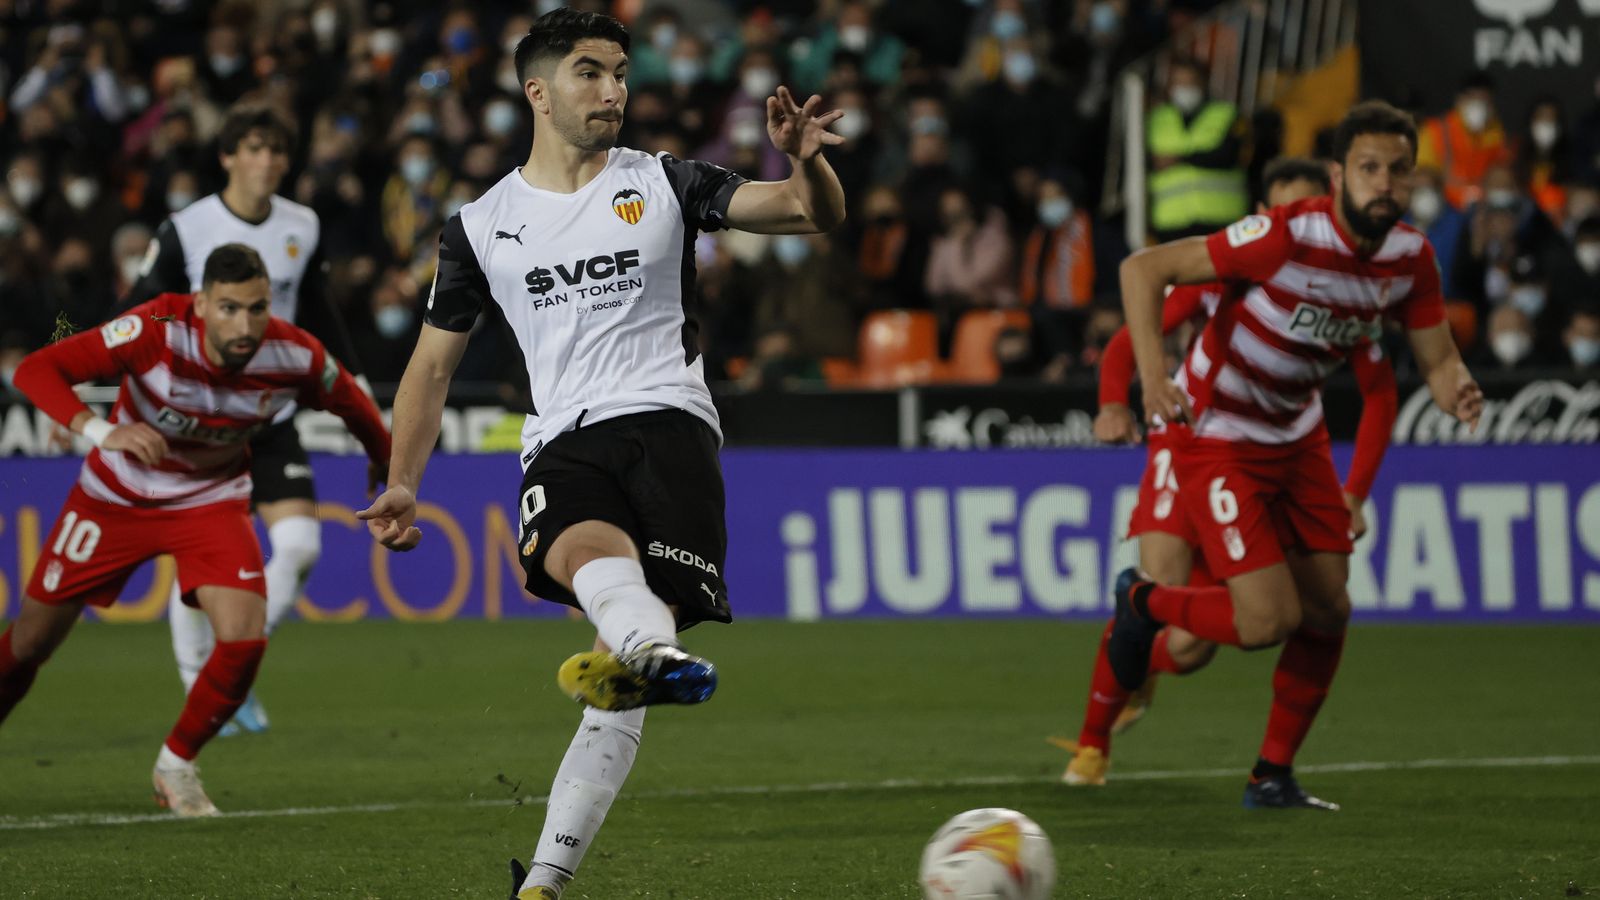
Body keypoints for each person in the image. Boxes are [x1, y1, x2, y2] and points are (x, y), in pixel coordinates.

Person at [353, 10, 845, 899]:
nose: (613, 90)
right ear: (537, 91)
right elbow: (429, 367)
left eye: (620, 71)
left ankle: (552, 860)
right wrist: (402, 482)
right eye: (590, 72)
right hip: (564, 438)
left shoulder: (666, 180)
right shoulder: (479, 226)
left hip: (671, 428)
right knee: (587, 558)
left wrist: (806, 159)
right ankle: (555, 857)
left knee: (617, 648)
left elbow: (810, 215)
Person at [1107, 101, 1483, 810]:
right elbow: (1144, 268)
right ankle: (1142, 600)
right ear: (1339, 174)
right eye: (1369, 168)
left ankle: (1271, 776)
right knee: (1266, 622)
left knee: (1330, 610)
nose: (1385, 184)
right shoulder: (1281, 235)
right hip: (1218, 432)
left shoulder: (1410, 258)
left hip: (1295, 436)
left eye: (1399, 171)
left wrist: (1455, 388)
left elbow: (1437, 361)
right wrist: (1153, 380)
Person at [0, 244, 389, 817]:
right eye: (229, 308)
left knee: (244, 636)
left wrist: (385, 466)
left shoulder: (294, 352)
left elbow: (354, 403)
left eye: (257, 308)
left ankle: (176, 765)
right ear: (201, 304)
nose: (246, 324)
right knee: (31, 641)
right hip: (114, 497)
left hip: (210, 501)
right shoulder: (155, 325)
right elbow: (38, 369)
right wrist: (99, 432)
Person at [1062, 157, 1401, 782]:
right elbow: (1131, 333)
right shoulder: (1233, 263)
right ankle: (1093, 744)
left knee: (1191, 651)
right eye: (1276, 211)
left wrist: (1354, 491)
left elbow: (1381, 392)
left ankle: (1144, 664)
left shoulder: (1345, 285)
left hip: (1268, 455)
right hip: (1189, 439)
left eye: (1299, 209)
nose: (1288, 223)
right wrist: (1115, 400)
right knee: (1155, 584)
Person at [119, 103, 366, 736]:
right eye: (253, 148)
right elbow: (135, 308)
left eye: (277, 150)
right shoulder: (187, 227)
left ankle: (228, 671)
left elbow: (318, 310)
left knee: (302, 547)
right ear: (227, 156)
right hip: (198, 416)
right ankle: (199, 678)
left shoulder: (302, 225)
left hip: (269, 410)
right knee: (201, 563)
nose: (267, 161)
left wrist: (356, 383)